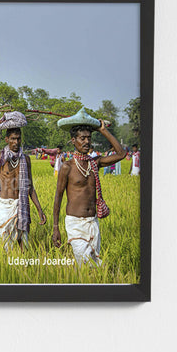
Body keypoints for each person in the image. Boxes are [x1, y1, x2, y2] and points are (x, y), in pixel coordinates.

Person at [51, 110, 127, 266]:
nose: (86, 142)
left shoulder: (95, 162)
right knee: (85, 263)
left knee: (93, 265)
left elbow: (121, 154)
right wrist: (55, 228)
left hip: (93, 222)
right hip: (75, 223)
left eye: (89, 138)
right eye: (82, 138)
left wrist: (103, 130)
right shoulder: (67, 167)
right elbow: (58, 198)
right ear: (73, 140)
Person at [0, 112, 46, 249]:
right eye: (12, 139)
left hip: (22, 204)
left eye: (18, 139)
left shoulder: (26, 159)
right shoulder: (1, 156)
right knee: (6, 244)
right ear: (7, 139)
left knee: (23, 240)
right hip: (6, 204)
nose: (16, 142)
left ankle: (23, 267)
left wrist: (39, 209)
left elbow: (30, 187)